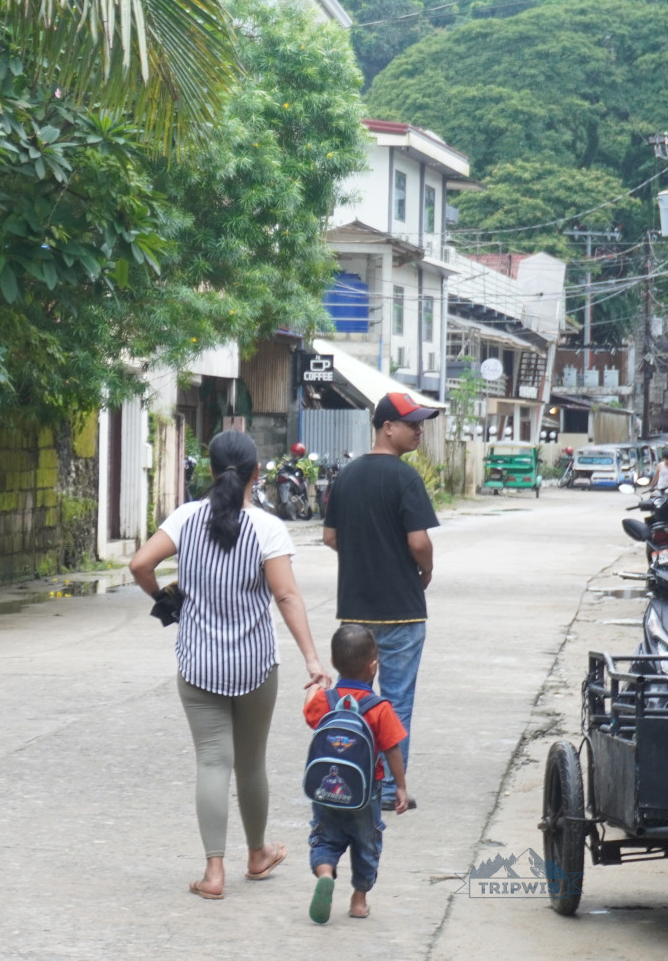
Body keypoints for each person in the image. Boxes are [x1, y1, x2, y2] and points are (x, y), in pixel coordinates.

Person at [129, 431, 331, 900]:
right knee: (250, 762)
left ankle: (213, 873)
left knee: (212, 762)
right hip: (255, 665)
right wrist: (312, 658)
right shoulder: (267, 528)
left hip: (198, 663)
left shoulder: (184, 519)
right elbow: (285, 594)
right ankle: (257, 854)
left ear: (212, 471)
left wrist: (164, 598)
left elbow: (141, 563)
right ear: (255, 474)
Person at [322, 392, 439, 810]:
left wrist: (364, 555)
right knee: (396, 702)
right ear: (387, 427)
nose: (419, 431)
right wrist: (425, 570)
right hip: (402, 612)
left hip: (354, 612)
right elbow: (419, 541)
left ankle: (342, 781)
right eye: (412, 424)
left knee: (351, 699)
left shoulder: (346, 476)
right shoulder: (406, 479)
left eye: (421, 424)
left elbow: (330, 537)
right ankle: (390, 789)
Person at [304, 624, 409, 923]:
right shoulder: (379, 708)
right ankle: (359, 900)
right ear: (373, 665)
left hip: (326, 789)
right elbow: (392, 750)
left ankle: (325, 873)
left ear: (334, 663)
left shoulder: (325, 701)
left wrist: (316, 686)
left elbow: (309, 714)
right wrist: (399, 787)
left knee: (324, 838)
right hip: (366, 792)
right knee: (367, 845)